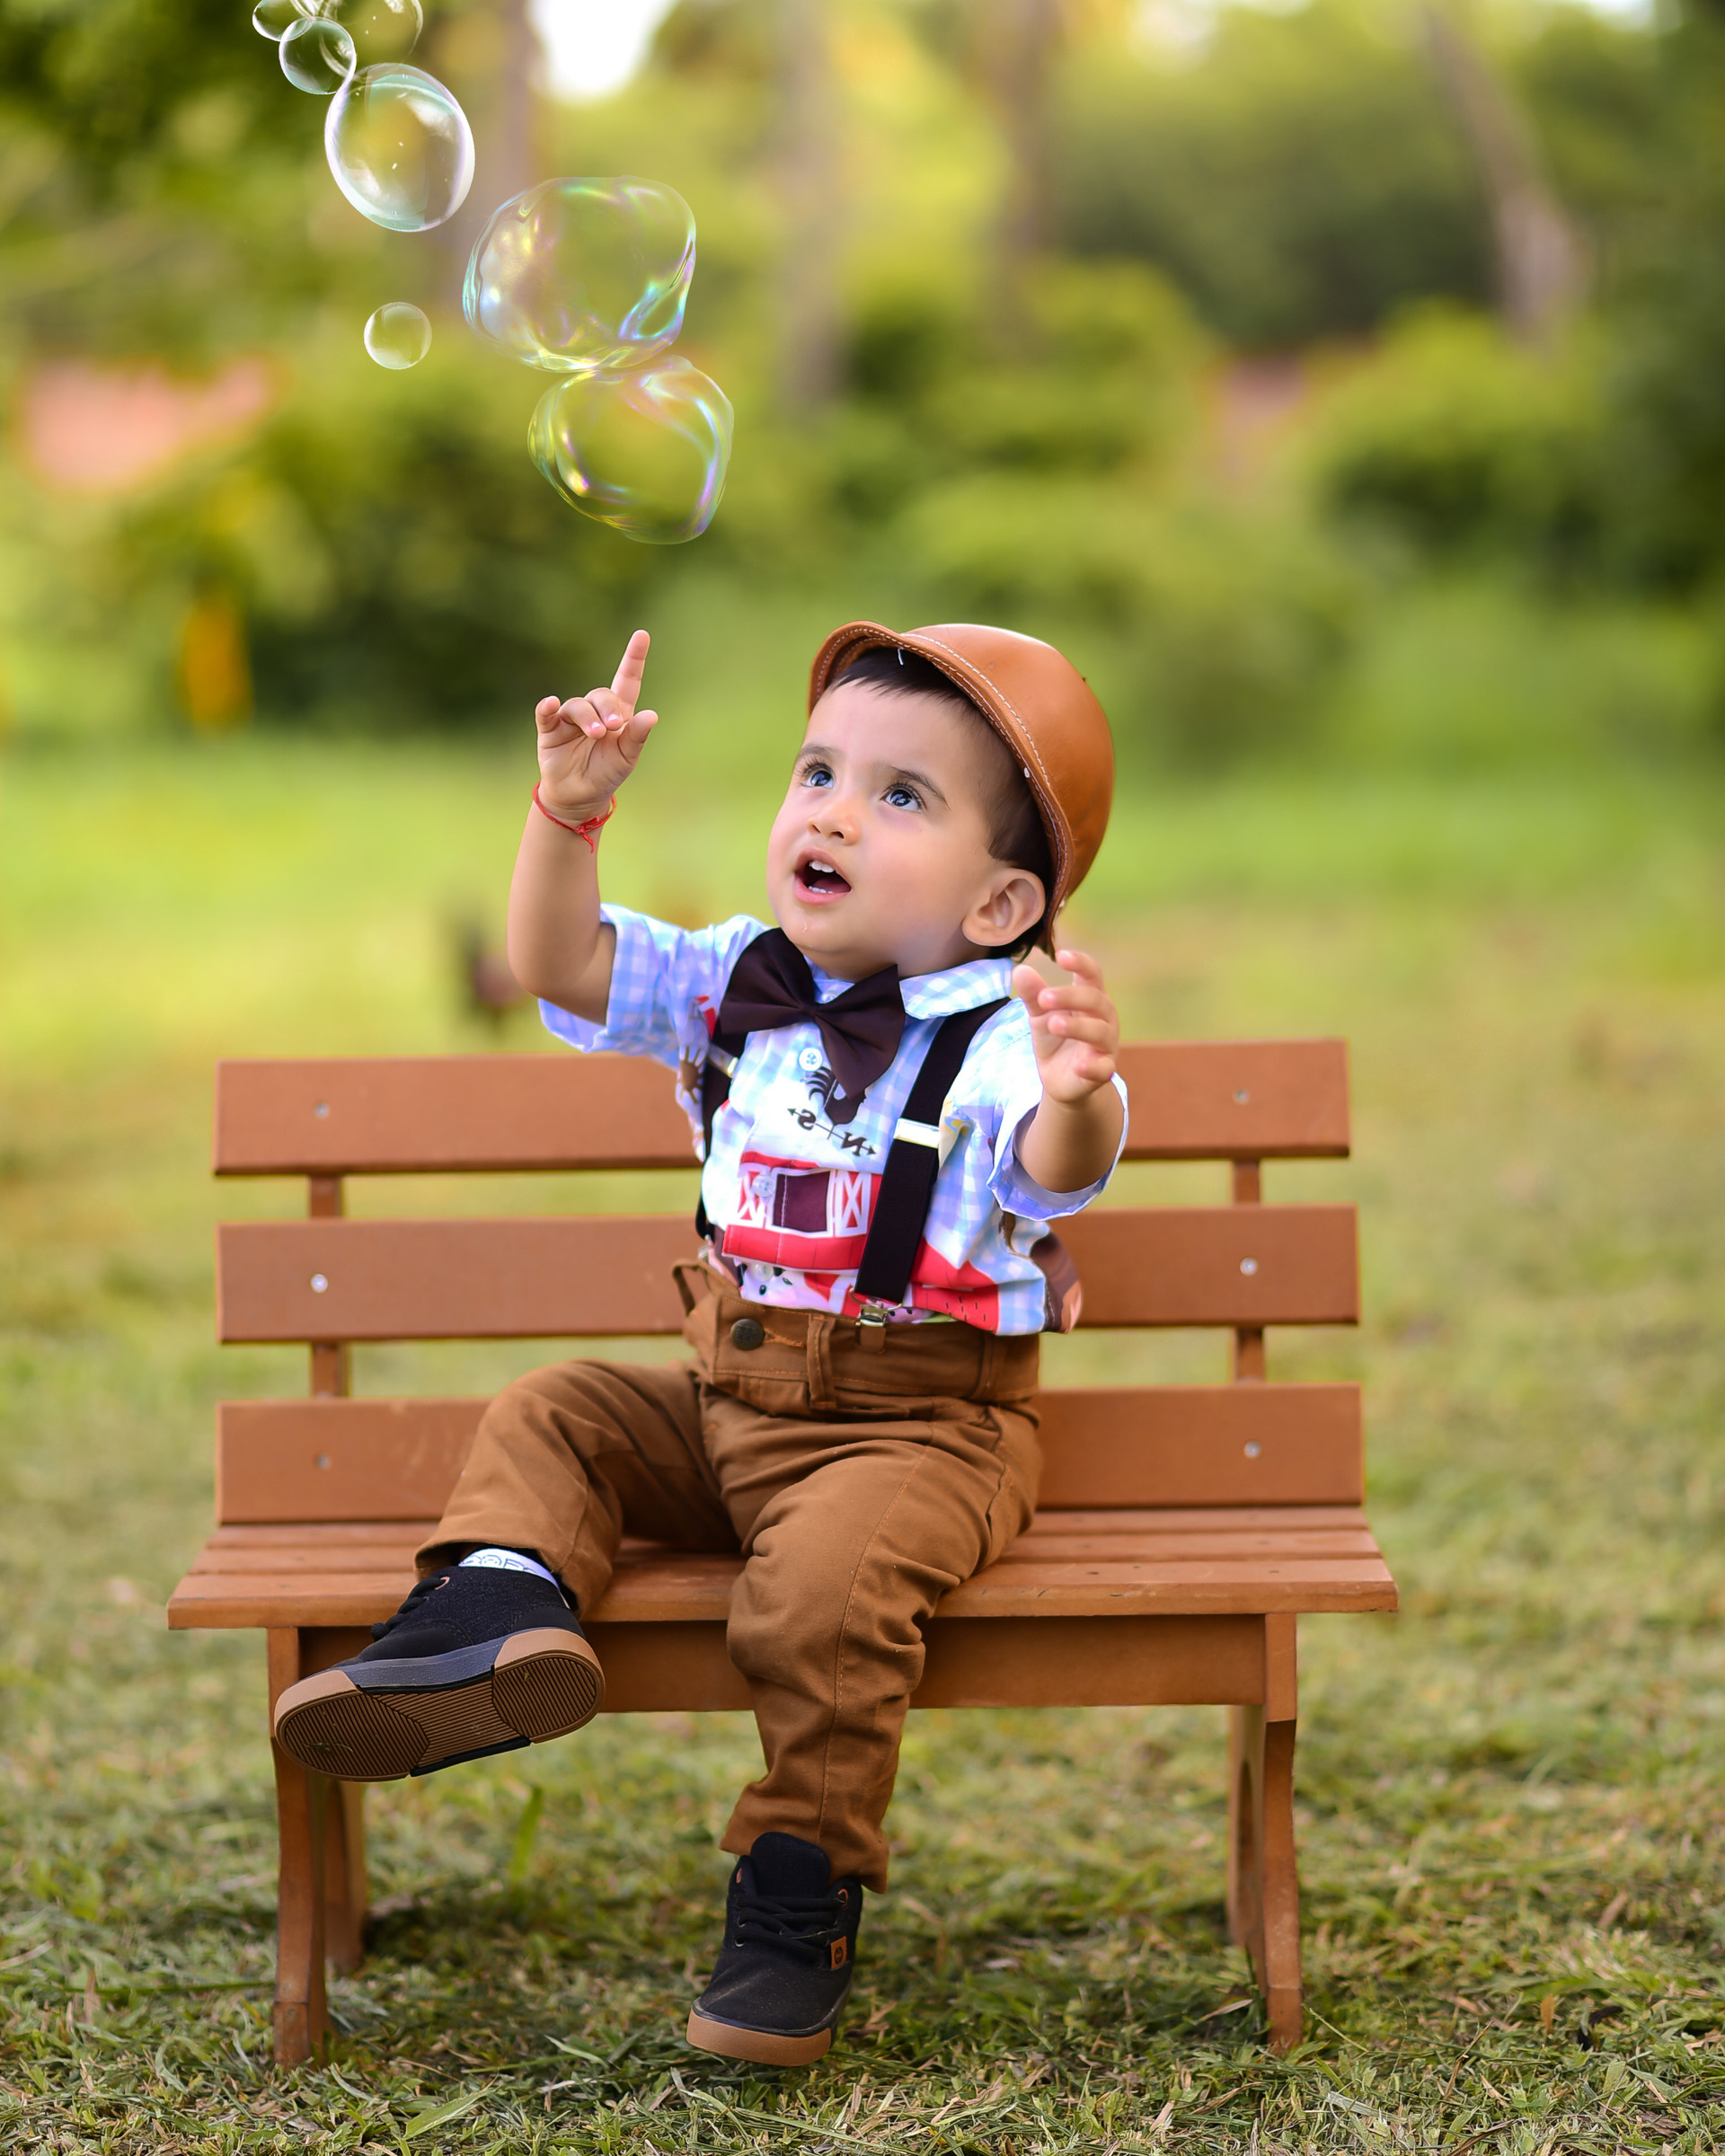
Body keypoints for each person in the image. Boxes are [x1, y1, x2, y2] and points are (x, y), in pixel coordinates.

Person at [272, 619, 1124, 2064]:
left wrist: (1081, 1089)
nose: (833, 813)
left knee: (822, 1596)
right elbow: (556, 959)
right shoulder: (736, 979)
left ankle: (800, 1888)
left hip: (923, 1433)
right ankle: (489, 1617)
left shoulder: (999, 1040)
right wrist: (569, 814)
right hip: (729, 1399)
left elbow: (1055, 1167)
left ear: (999, 903)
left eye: (900, 796)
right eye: (819, 773)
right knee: (559, 1410)